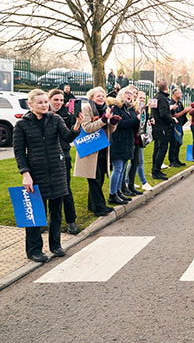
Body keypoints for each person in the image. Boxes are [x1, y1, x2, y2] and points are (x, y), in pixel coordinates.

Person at [15, 90, 82, 262]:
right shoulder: (22, 125)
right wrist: (25, 174)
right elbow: (19, 152)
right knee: (36, 214)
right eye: (40, 103)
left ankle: (55, 245)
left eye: (46, 102)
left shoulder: (55, 119)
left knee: (56, 211)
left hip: (56, 171)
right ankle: (34, 250)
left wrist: (75, 128)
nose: (45, 105)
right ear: (31, 104)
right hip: (35, 173)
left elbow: (66, 137)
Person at [74, 87, 121, 216]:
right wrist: (104, 120)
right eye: (98, 96)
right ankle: (99, 208)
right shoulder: (87, 109)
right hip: (90, 148)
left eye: (102, 96)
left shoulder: (106, 109)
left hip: (102, 148)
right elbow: (88, 128)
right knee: (94, 178)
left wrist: (113, 123)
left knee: (99, 178)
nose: (101, 98)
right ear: (92, 98)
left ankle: (92, 205)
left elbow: (109, 131)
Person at [48, 89, 79, 234]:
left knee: (66, 189)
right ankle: (44, 221)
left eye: (61, 100)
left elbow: (70, 133)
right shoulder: (44, 115)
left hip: (63, 154)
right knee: (44, 190)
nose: (59, 103)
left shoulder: (66, 115)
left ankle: (71, 221)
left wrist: (77, 123)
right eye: (56, 100)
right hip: (46, 156)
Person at [108, 86, 140, 205]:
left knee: (122, 169)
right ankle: (112, 194)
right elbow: (120, 124)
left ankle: (118, 191)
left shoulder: (130, 109)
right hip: (118, 141)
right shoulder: (116, 108)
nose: (130, 95)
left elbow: (134, 125)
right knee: (118, 168)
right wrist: (136, 120)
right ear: (121, 94)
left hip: (128, 142)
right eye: (127, 93)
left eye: (131, 94)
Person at [128, 91, 154, 192]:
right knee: (138, 161)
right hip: (134, 138)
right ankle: (143, 182)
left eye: (144, 98)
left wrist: (150, 118)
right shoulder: (133, 109)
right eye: (140, 97)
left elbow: (143, 122)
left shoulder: (142, 109)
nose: (142, 99)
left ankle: (128, 181)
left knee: (136, 161)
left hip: (140, 139)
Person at [150, 81, 173, 180]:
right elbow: (163, 113)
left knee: (157, 148)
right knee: (162, 148)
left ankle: (156, 169)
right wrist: (172, 119)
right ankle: (156, 170)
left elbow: (153, 111)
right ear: (166, 88)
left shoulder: (156, 97)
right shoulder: (162, 99)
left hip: (157, 127)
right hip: (162, 127)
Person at [169, 88, 190, 166]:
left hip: (179, 125)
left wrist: (187, 111)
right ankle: (172, 161)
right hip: (173, 126)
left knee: (178, 143)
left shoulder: (180, 103)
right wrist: (184, 111)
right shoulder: (171, 103)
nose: (181, 95)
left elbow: (182, 114)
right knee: (173, 143)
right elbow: (174, 115)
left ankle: (176, 159)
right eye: (180, 93)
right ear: (175, 94)